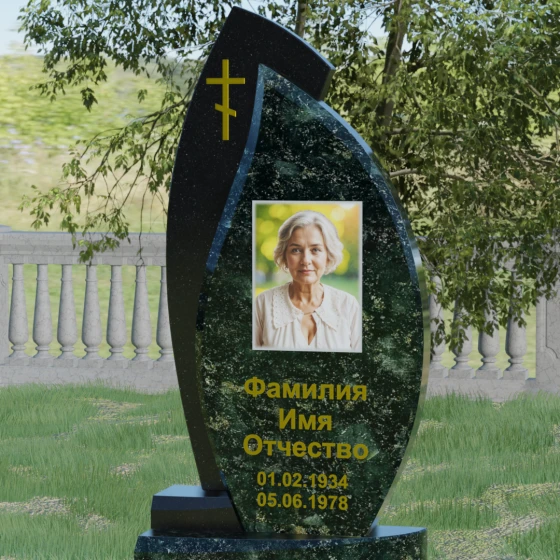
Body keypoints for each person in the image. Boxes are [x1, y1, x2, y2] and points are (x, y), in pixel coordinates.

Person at [254, 210, 361, 351]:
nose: (305, 260)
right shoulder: (263, 304)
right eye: (296, 250)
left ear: (328, 256)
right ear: (284, 256)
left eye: (315, 250)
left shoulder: (348, 305)